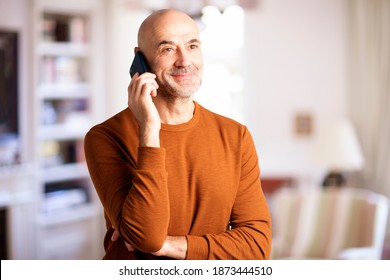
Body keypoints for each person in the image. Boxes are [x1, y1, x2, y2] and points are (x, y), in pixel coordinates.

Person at [84, 9, 271, 260]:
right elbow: (147, 237)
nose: (184, 61)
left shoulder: (235, 136)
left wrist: (171, 246)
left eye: (192, 46)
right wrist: (149, 129)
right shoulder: (105, 137)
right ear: (140, 60)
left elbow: (257, 246)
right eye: (168, 49)